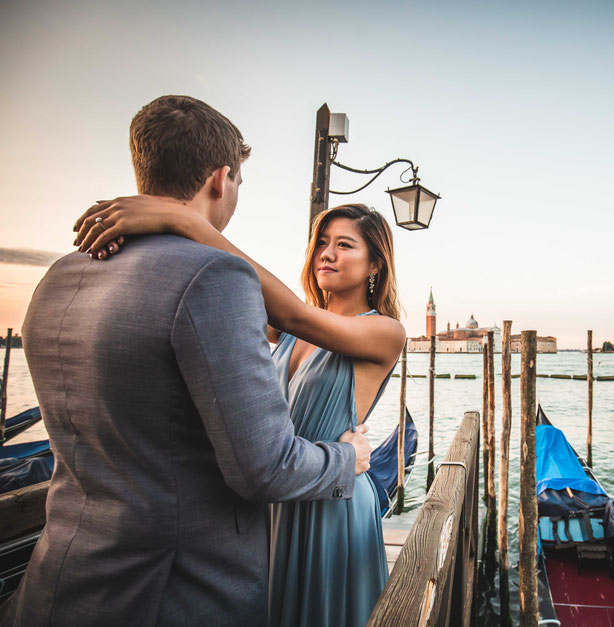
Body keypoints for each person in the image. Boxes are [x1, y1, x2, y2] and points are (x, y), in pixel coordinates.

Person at [1, 95, 374, 627]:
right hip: (176, 593)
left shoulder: (61, 274)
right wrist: (347, 460)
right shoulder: (215, 278)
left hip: (61, 576)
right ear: (220, 179)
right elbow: (265, 467)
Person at [72, 198, 405, 623]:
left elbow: (290, 310)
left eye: (344, 245)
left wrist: (182, 219)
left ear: (375, 263)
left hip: (331, 500)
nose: (326, 253)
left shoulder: (383, 331)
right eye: (322, 242)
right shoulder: (286, 327)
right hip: (278, 490)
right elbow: (238, 291)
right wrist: (143, 232)